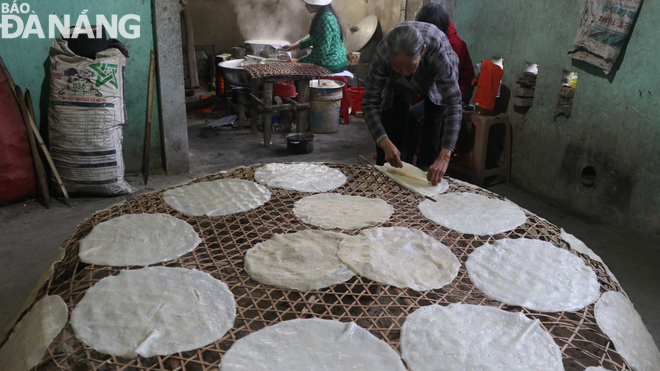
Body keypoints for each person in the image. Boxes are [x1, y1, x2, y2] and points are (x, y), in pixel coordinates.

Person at [362, 22, 462, 186]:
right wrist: (385, 143)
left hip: (432, 72)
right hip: (396, 82)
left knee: (433, 125)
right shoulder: (382, 55)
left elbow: (453, 103)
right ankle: (387, 179)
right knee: (391, 124)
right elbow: (369, 104)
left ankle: (425, 178)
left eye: (409, 66)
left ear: (422, 51)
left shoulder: (435, 50)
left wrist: (445, 155)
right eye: (397, 66)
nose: (404, 72)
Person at [283, 0, 348, 73]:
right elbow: (317, 38)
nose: (306, 5)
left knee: (295, 71)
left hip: (330, 64)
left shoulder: (325, 19)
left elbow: (321, 51)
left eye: (309, 3)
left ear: (318, 5)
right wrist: (294, 46)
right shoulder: (329, 14)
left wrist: (298, 61)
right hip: (339, 62)